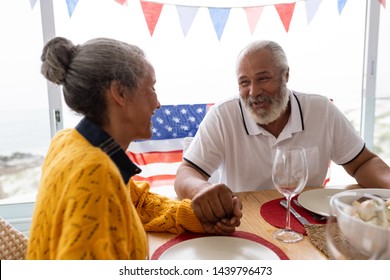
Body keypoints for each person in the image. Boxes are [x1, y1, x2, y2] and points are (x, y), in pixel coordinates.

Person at [27, 37, 241, 260]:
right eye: (152, 87)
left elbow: (136, 202)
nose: (157, 104)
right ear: (120, 93)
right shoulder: (95, 172)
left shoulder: (68, 142)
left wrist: (197, 216)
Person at [174, 39, 390, 223]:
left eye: (263, 79)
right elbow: (186, 173)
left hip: (309, 223)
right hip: (243, 221)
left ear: (285, 75)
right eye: (244, 83)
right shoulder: (223, 115)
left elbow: (362, 162)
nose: (254, 91)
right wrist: (200, 190)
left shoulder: (322, 110)